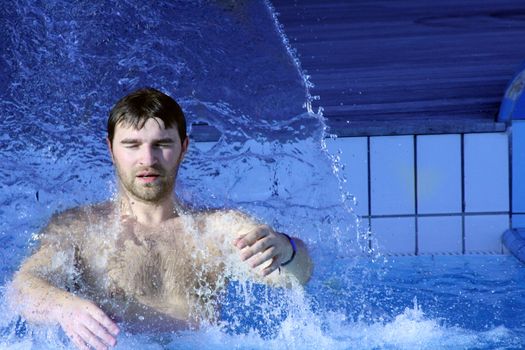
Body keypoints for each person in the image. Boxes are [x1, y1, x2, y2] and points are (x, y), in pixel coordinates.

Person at [8, 88, 313, 350]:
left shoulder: (214, 229)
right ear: (111, 149)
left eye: (162, 144)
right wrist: (65, 308)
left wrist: (287, 249)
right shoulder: (79, 229)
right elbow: (22, 288)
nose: (148, 160)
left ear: (184, 148)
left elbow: (297, 275)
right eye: (132, 145)